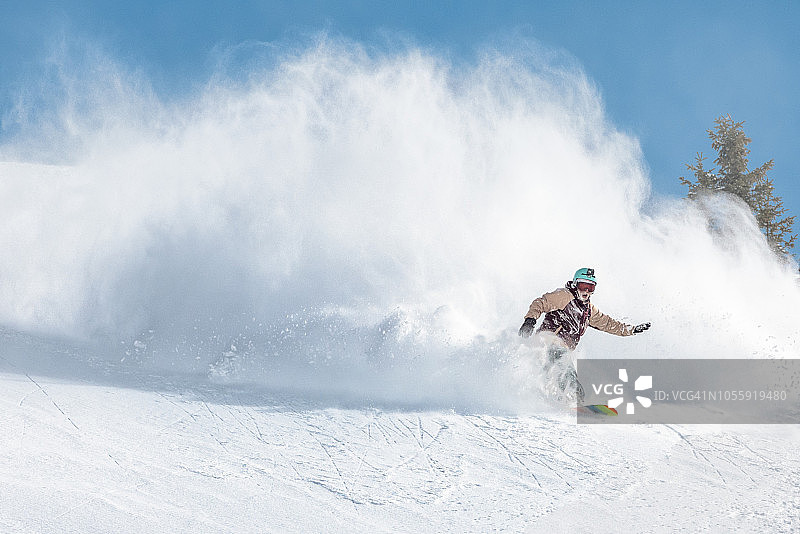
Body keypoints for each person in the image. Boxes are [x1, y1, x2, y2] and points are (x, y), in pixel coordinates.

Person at [518, 267, 651, 403]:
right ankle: (576, 401)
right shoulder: (564, 296)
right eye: (583, 286)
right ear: (575, 284)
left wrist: (631, 330)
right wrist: (530, 320)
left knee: (554, 379)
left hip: (561, 349)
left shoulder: (588, 310)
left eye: (590, 287)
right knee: (566, 372)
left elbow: (608, 323)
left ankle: (559, 402)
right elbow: (541, 302)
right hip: (548, 342)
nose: (586, 291)